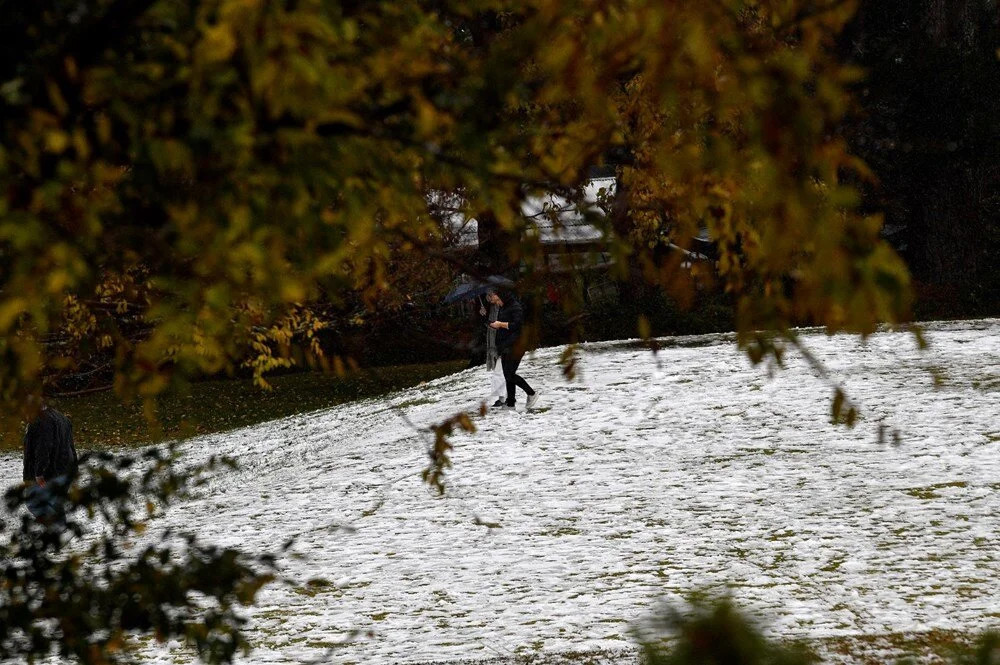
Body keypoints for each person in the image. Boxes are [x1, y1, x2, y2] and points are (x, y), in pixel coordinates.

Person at [22, 399, 78, 522]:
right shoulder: (62, 418)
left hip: (50, 471)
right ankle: (60, 530)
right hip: (65, 468)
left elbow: (44, 447)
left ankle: (58, 528)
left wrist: (39, 472)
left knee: (34, 502)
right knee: (55, 502)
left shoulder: (41, 421)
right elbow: (71, 446)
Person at [485, 289, 540, 411]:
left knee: (509, 374)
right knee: (508, 374)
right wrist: (492, 323)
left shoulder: (515, 307)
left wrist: (500, 324)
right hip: (505, 346)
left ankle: (531, 393)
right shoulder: (503, 307)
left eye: (495, 298)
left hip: (516, 345)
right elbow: (502, 325)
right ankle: (510, 403)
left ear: (499, 295)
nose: (495, 302)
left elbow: (517, 325)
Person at [479, 296, 508, 407]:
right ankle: (503, 397)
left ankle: (505, 398)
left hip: (502, 343)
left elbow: (501, 325)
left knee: (501, 371)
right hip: (495, 342)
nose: (489, 298)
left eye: (491, 296)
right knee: (500, 371)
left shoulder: (504, 308)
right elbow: (490, 324)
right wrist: (484, 314)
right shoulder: (492, 308)